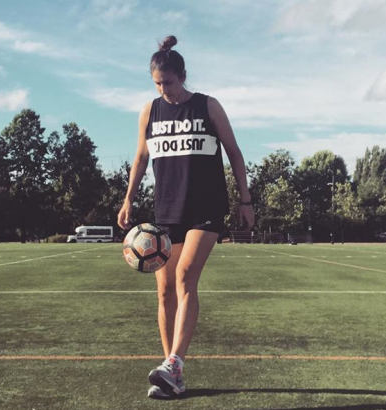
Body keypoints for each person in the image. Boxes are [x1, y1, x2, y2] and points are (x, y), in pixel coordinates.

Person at [117, 35, 255, 400]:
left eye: (171, 83)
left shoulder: (208, 106)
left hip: (206, 208)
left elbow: (235, 154)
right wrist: (129, 199)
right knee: (164, 293)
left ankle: (174, 363)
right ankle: (172, 372)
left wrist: (245, 200)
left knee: (184, 276)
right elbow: (141, 159)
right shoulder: (150, 111)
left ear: (183, 76)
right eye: (158, 84)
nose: (166, 90)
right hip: (166, 209)